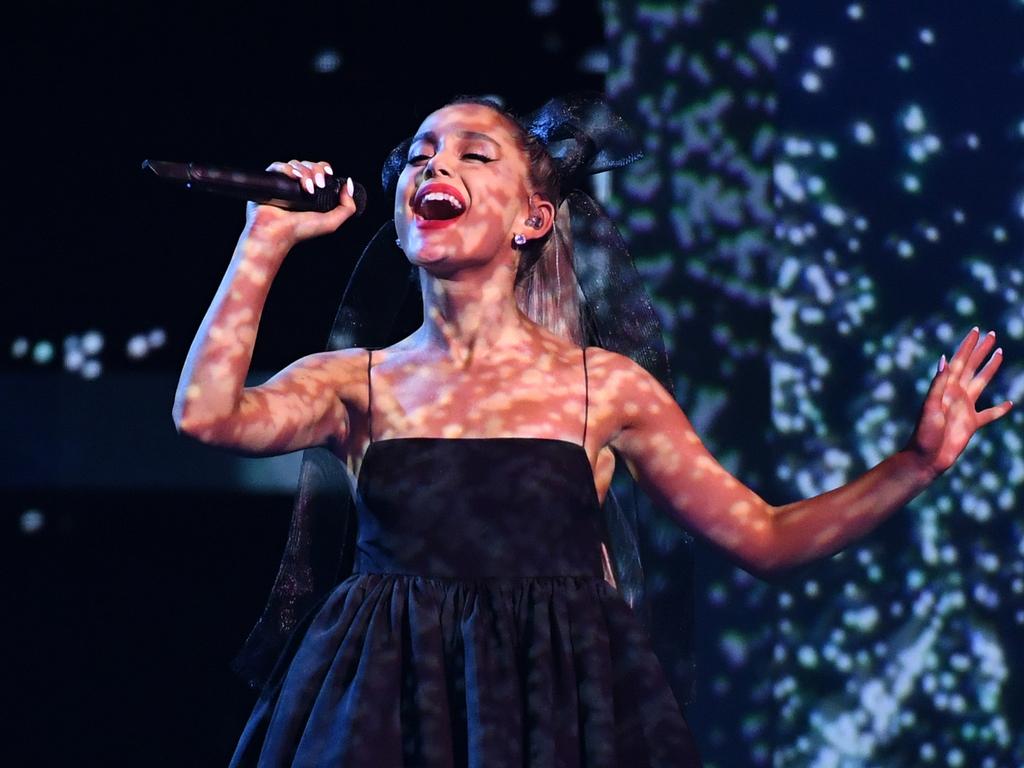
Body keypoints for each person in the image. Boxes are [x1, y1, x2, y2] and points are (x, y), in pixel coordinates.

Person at [172, 94, 1012, 767]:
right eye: (422, 153)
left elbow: (762, 536)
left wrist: (917, 462)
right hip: (386, 703)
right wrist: (264, 240)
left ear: (531, 220)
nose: (436, 163)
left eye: (473, 153)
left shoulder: (600, 386)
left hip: (559, 703)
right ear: (399, 217)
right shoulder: (355, 381)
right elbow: (208, 415)